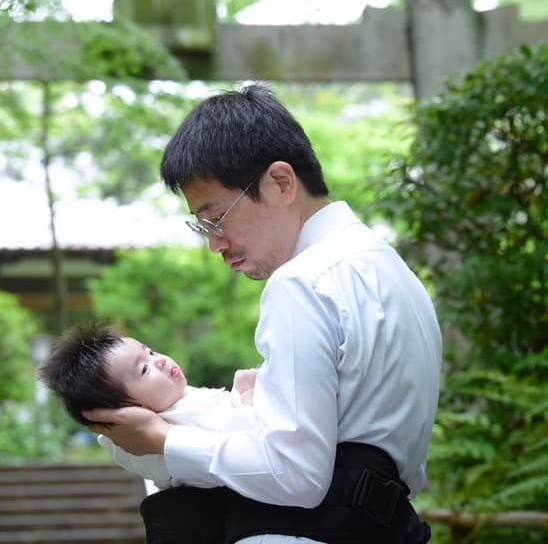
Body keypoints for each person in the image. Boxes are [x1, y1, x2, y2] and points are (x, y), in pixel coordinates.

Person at [85, 84, 443, 544]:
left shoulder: (302, 282)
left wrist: (161, 438)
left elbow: (296, 476)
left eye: (216, 218)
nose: (215, 243)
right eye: (203, 227)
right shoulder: (393, 271)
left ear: (280, 182)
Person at [38, 322, 259, 490]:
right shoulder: (165, 426)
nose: (160, 360)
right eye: (144, 369)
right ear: (123, 411)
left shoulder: (180, 402)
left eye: (150, 352)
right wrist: (246, 395)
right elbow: (247, 445)